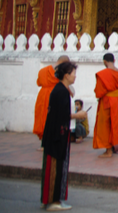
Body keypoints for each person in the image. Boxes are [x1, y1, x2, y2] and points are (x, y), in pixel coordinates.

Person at [40, 61, 88, 212]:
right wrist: (77, 115)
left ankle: (49, 199)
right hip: (56, 137)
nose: (75, 76)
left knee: (55, 167)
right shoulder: (61, 91)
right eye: (73, 73)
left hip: (55, 135)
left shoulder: (60, 90)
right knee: (55, 168)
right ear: (66, 75)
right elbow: (61, 116)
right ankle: (53, 201)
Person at [93, 53, 118, 158]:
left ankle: (108, 150)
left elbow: (99, 92)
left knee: (105, 125)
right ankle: (110, 148)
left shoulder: (103, 74)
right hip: (114, 101)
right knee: (113, 123)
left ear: (104, 61)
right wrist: (116, 90)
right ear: (114, 60)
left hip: (106, 101)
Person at [34, 56, 71, 146]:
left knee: (42, 116)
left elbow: (39, 83)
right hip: (54, 95)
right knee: (51, 118)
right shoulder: (59, 72)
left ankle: (43, 141)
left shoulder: (43, 70)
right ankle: (48, 143)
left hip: (42, 95)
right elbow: (64, 83)